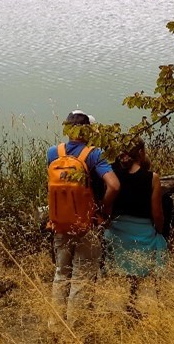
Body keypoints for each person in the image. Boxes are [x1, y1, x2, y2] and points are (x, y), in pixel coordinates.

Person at [47, 110, 120, 331]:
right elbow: (114, 185)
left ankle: (55, 325)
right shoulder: (94, 154)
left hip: (60, 223)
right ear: (88, 130)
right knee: (81, 276)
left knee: (61, 274)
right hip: (87, 224)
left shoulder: (53, 152)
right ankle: (76, 327)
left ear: (67, 130)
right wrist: (103, 209)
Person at [104, 138, 168, 318]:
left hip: (116, 230)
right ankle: (137, 300)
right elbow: (157, 213)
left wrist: (108, 223)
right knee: (157, 246)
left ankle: (116, 302)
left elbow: (107, 205)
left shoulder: (112, 174)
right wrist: (159, 230)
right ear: (140, 153)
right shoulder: (152, 178)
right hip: (142, 232)